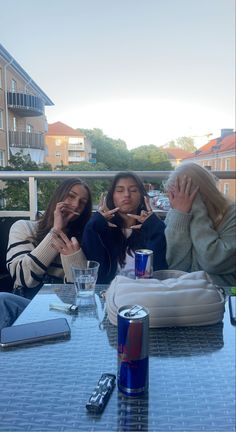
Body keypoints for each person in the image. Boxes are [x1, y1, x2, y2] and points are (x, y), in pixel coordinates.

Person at [6, 178, 92, 299]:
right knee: (3, 300)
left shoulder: (82, 239)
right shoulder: (23, 227)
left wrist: (74, 257)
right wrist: (55, 231)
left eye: (82, 202)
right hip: (26, 305)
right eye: (71, 196)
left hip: (65, 307)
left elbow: (84, 291)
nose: (76, 205)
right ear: (58, 197)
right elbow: (24, 279)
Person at [82, 171, 167, 284]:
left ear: (142, 196)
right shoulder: (101, 228)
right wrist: (93, 225)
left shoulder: (153, 228)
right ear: (112, 196)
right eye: (120, 190)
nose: (127, 194)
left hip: (143, 294)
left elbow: (159, 268)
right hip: (108, 293)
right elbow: (93, 268)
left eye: (133, 190)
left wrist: (154, 227)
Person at [164, 162, 236, 286]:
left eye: (178, 194)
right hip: (184, 294)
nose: (173, 201)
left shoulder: (232, 215)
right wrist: (180, 216)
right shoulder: (178, 212)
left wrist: (196, 208)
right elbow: (175, 266)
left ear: (201, 193)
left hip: (222, 296)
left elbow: (213, 262)